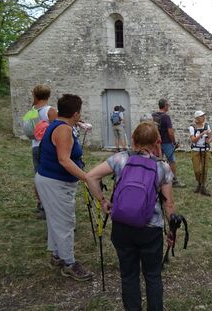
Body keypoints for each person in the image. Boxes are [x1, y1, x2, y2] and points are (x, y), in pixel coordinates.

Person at [86, 121, 177, 311]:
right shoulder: (163, 168)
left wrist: (103, 201)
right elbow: (168, 203)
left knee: (128, 275)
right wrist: (171, 231)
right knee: (152, 276)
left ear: (133, 139)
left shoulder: (119, 159)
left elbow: (91, 177)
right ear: (156, 143)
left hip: (122, 226)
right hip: (150, 229)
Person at [35, 94, 99, 281]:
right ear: (76, 113)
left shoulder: (57, 123)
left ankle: (56, 254)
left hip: (50, 179)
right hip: (55, 182)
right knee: (65, 222)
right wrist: (86, 177)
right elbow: (64, 160)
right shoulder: (63, 130)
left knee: (55, 220)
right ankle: (69, 263)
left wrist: (77, 125)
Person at [30, 84, 57, 219]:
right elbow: (55, 130)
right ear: (48, 96)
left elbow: (27, 129)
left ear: (35, 96)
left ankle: (40, 205)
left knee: (38, 176)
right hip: (46, 147)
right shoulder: (50, 111)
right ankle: (49, 205)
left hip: (35, 146)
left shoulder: (32, 111)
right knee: (50, 176)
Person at [153, 98, 183, 187]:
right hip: (166, 142)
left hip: (156, 142)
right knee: (172, 161)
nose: (169, 106)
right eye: (168, 105)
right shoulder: (166, 117)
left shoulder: (153, 115)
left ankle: (156, 178)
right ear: (165, 106)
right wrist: (174, 142)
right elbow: (170, 132)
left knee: (157, 160)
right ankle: (174, 181)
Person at [189, 110, 212, 196]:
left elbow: (210, 136)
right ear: (197, 118)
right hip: (195, 150)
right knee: (197, 170)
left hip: (205, 149)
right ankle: (199, 183)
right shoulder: (192, 127)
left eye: (203, 116)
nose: (204, 117)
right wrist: (202, 133)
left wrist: (209, 140)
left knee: (204, 169)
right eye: (202, 116)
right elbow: (193, 140)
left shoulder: (207, 126)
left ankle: (202, 186)